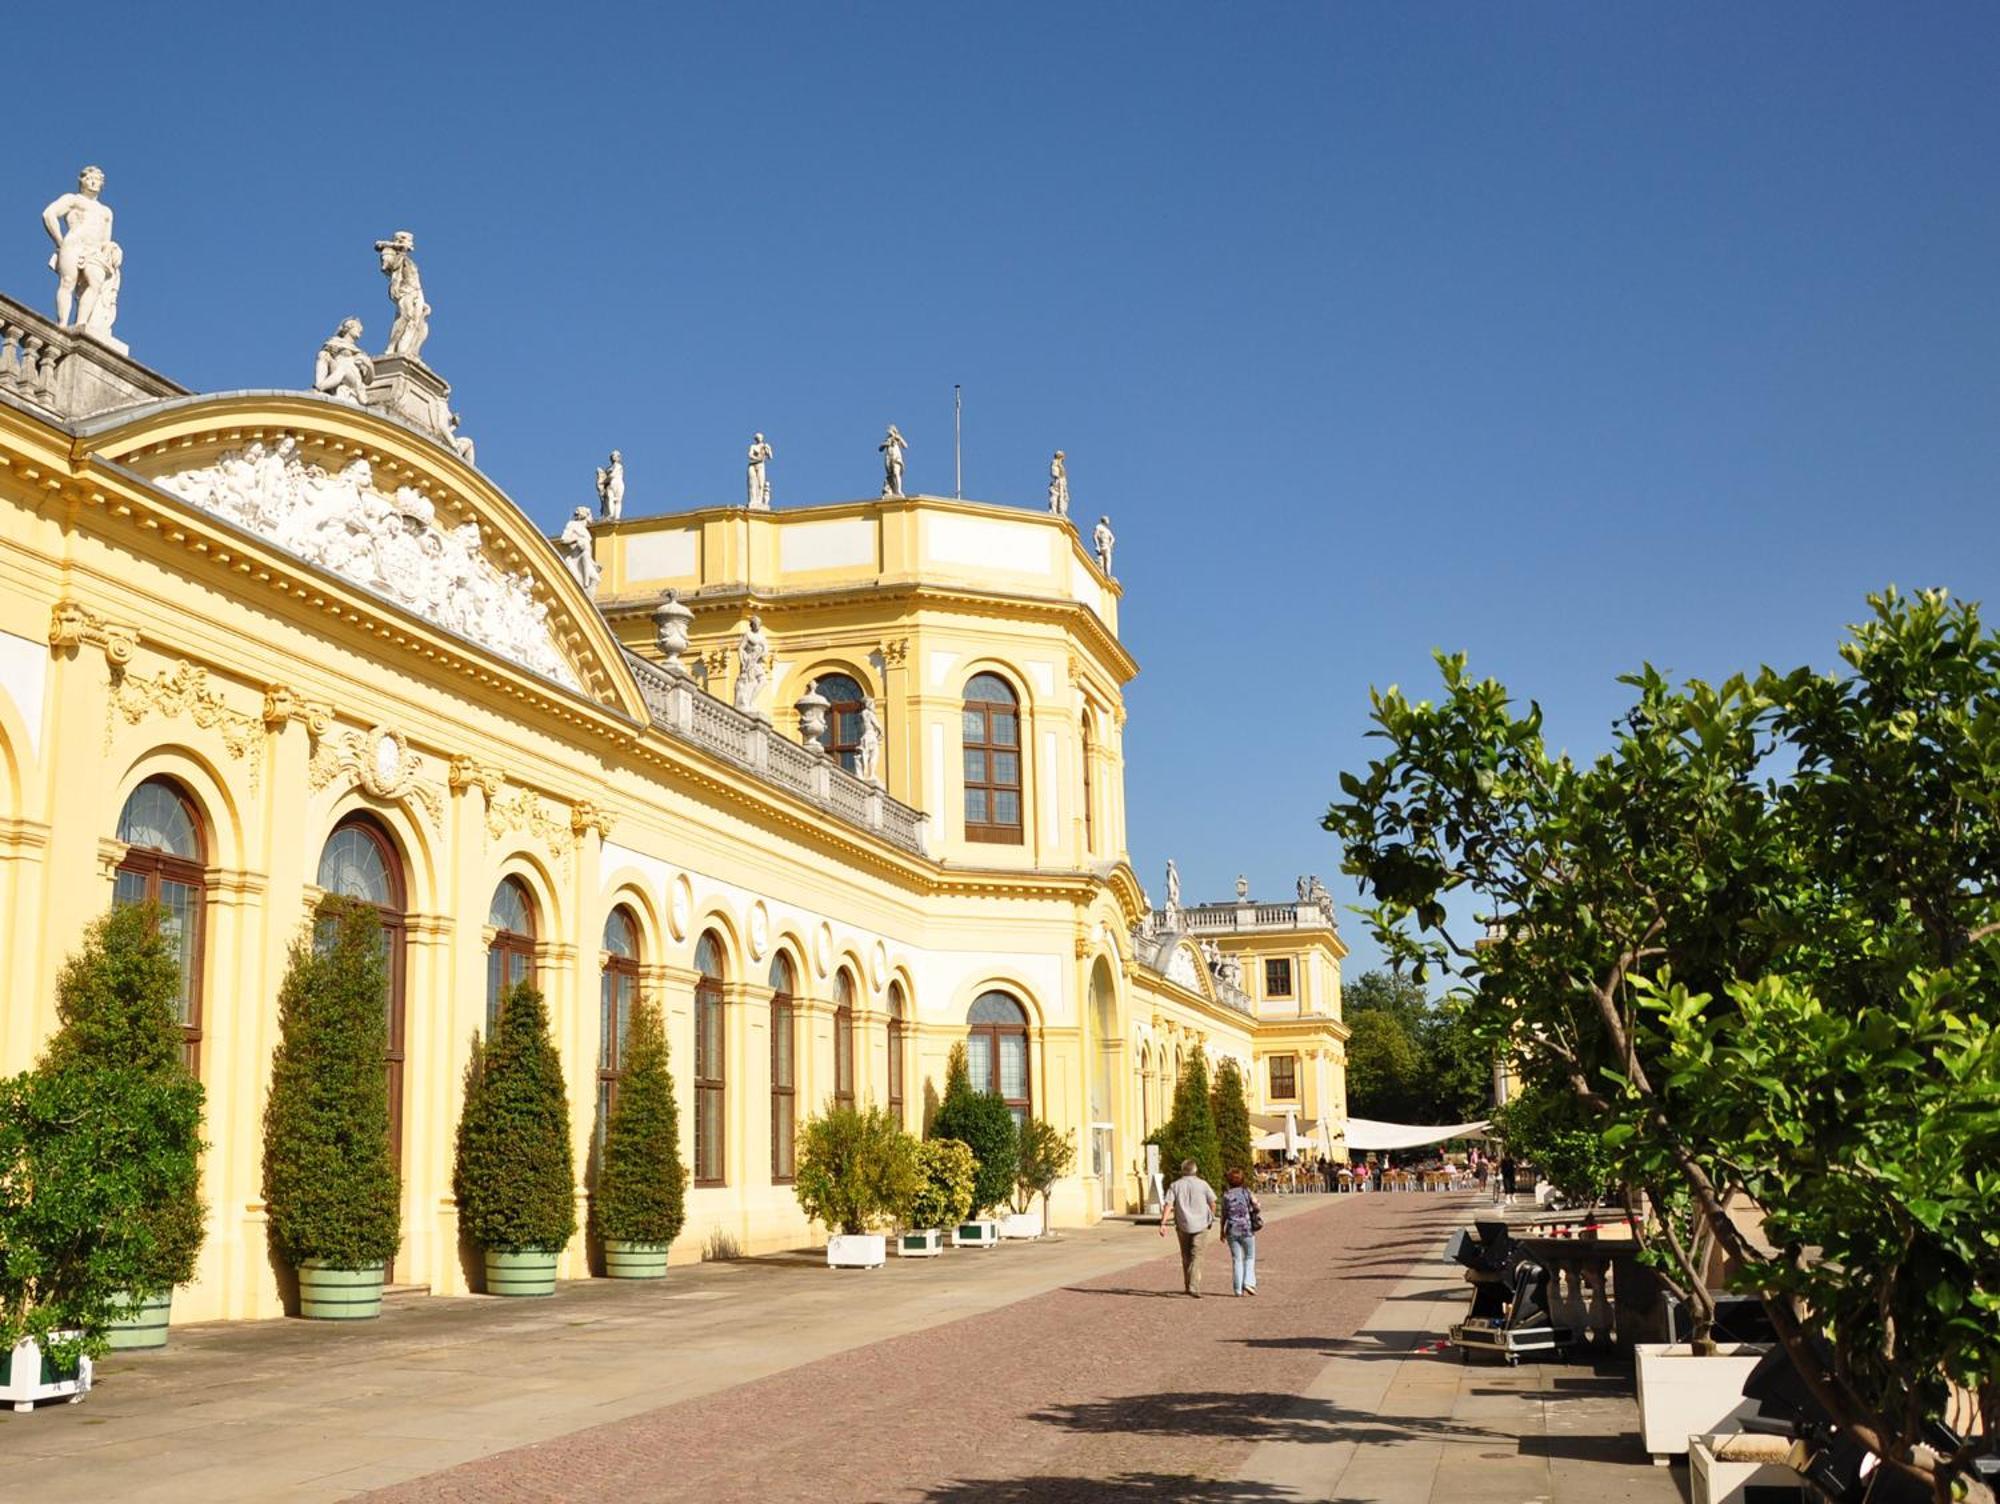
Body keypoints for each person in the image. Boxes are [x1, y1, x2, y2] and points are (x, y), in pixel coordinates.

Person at [1157, 1156, 1216, 1297]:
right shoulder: (1203, 1184)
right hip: (1201, 1224)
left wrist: (1163, 1223)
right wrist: (1211, 1217)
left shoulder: (1175, 1185)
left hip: (1183, 1224)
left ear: (1183, 1171)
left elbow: (1168, 1204)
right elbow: (1212, 1202)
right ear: (1195, 1171)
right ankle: (1193, 1286)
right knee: (1197, 1255)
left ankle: (1188, 1284)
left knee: (1186, 1256)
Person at [1220, 1168, 1262, 1296]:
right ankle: (1248, 1283)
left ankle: (1238, 1289)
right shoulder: (1246, 1192)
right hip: (1246, 1228)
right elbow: (1256, 1206)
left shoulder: (1226, 1195)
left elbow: (1223, 1215)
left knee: (1236, 1259)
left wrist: (1221, 1231)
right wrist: (1256, 1207)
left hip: (1232, 1229)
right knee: (1249, 1257)